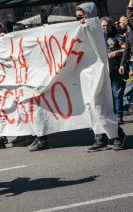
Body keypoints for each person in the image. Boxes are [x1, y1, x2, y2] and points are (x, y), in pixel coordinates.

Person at [76, 2, 126, 151]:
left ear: (89, 15)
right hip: (85, 72)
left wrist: (88, 23)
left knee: (100, 105)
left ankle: (118, 134)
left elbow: (97, 35)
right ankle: (100, 137)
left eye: (81, 16)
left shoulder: (97, 28)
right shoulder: (81, 28)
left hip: (98, 71)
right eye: (77, 17)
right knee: (90, 106)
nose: (79, 20)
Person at [100, 17, 125, 124]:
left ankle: (118, 116)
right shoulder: (96, 38)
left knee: (117, 94)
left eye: (107, 25)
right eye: (103, 26)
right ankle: (107, 117)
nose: (106, 27)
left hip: (115, 69)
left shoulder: (117, 36)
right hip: (101, 72)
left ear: (111, 26)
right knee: (104, 96)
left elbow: (126, 49)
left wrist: (117, 51)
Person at [119, 0, 133, 114]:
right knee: (130, 84)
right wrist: (122, 64)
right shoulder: (129, 33)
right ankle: (124, 106)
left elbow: (129, 15)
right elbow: (127, 49)